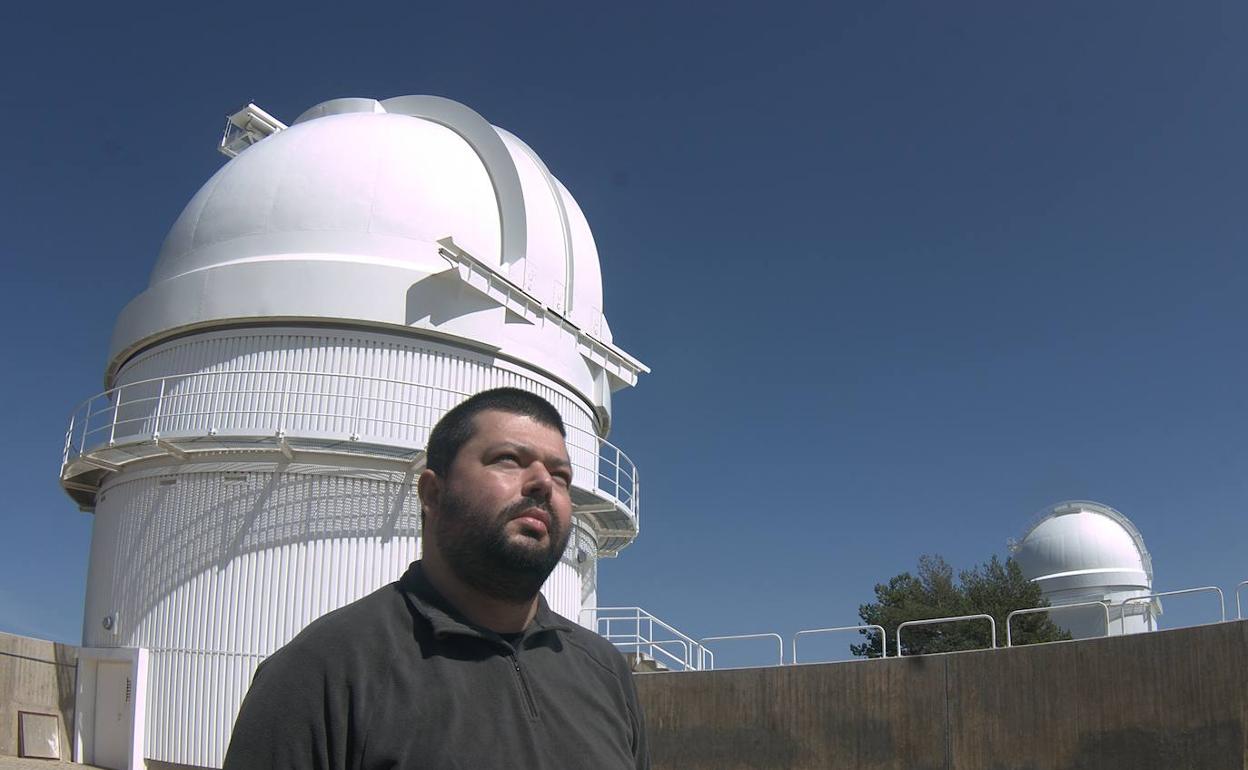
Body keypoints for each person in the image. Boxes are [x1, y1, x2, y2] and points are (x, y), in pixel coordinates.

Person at [223, 387, 649, 769]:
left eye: (561, 476)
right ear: (433, 494)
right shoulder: (323, 671)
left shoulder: (605, 672)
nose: (542, 482)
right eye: (508, 460)